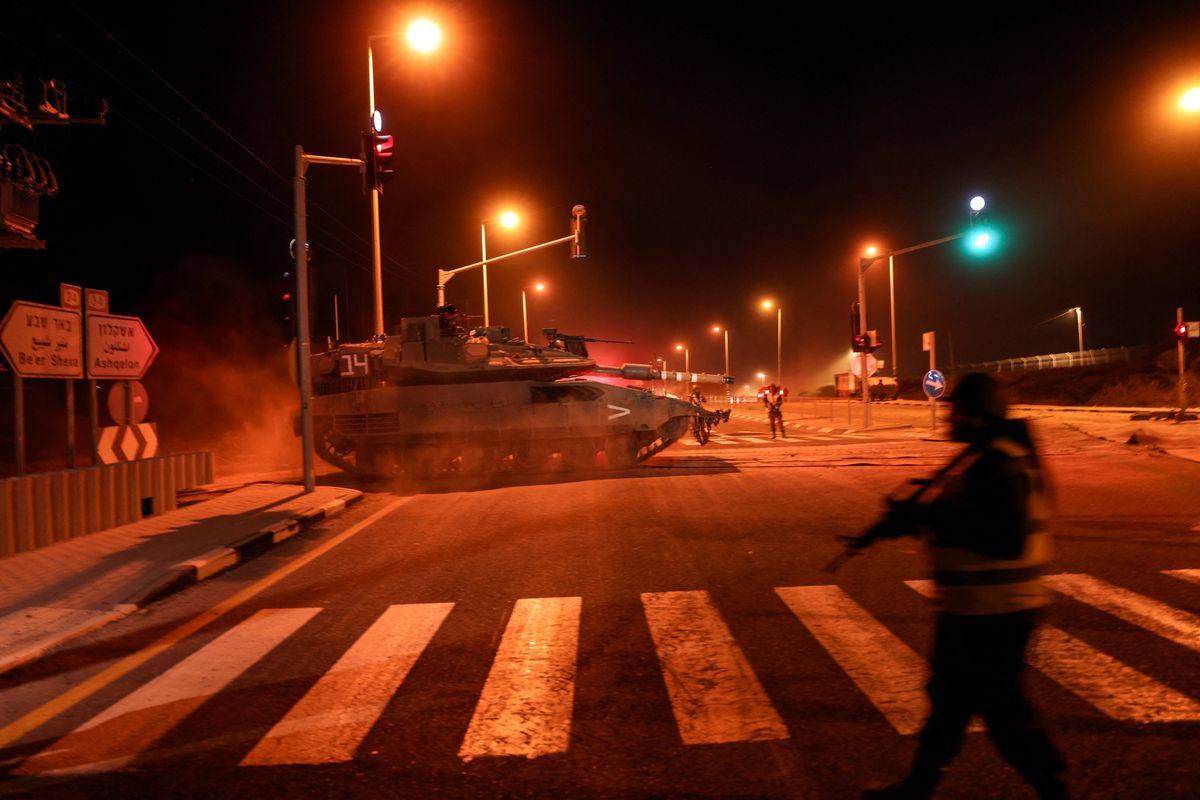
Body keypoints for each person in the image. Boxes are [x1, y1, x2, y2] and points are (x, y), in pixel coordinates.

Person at [864, 372, 1069, 800]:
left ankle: (1055, 788)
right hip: (972, 607)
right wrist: (910, 519)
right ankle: (917, 789)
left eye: (958, 410)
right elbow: (960, 514)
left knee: (1002, 711)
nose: (950, 416)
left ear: (980, 414)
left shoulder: (1002, 460)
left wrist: (933, 520)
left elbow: (1005, 538)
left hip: (999, 610)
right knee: (949, 704)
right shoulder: (980, 456)